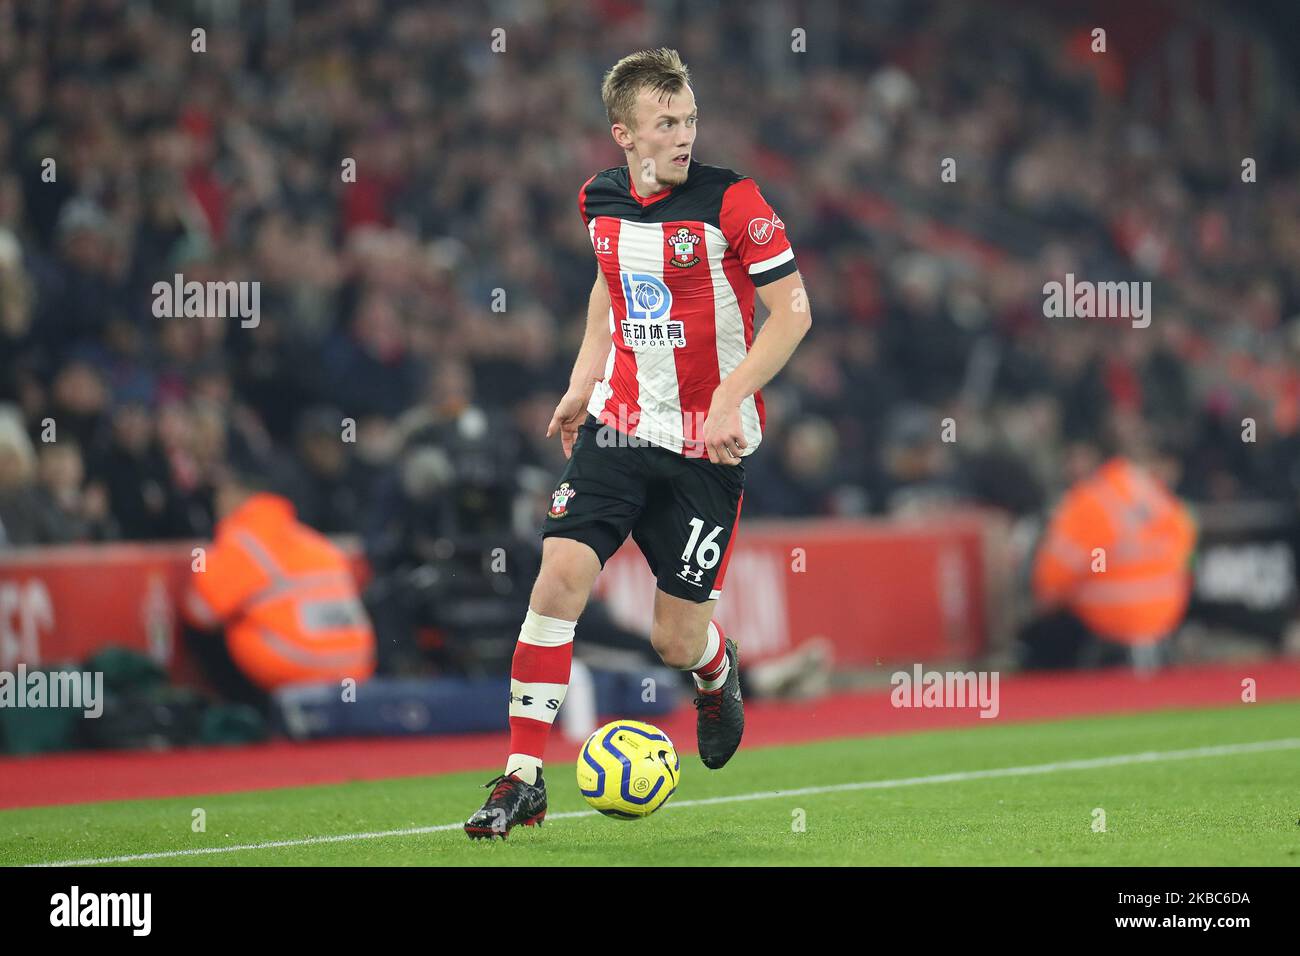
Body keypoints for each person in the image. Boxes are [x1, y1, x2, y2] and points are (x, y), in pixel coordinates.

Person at [465, 48, 812, 838]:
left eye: (689, 119)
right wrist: (583, 382)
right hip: (620, 429)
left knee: (672, 636)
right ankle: (522, 777)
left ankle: (715, 674)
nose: (683, 135)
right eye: (666, 123)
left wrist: (728, 397)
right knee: (558, 578)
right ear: (624, 133)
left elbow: (793, 314)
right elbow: (608, 283)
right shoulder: (600, 200)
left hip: (707, 449)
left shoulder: (734, 200)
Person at [181, 457, 376, 713]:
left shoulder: (244, 541)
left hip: (297, 666)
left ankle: (246, 711)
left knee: (218, 625)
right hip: (355, 665)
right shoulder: (313, 540)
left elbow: (200, 612)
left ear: (237, 495)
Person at [1022, 444, 1197, 671]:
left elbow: (1050, 578)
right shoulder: (1154, 493)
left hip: (1110, 620)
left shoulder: (1089, 501)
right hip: (1166, 616)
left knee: (1037, 639)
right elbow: (1184, 546)